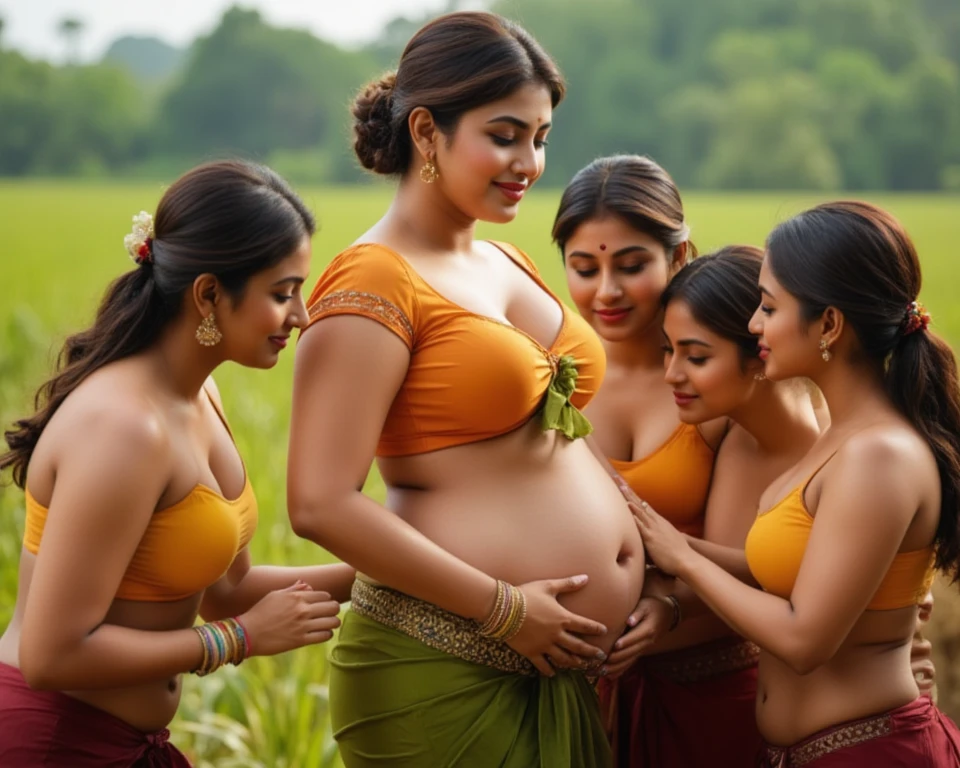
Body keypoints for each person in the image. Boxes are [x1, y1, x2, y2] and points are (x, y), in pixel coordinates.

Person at [285, 12, 644, 767]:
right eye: (506, 135)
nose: (530, 162)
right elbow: (319, 501)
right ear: (426, 132)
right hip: (440, 667)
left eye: (542, 138)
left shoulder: (508, 261)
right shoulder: (373, 279)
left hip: (559, 668)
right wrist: (505, 610)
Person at [0, 160, 353, 767]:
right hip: (53, 742)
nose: (300, 317)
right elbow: (51, 654)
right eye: (282, 293)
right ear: (209, 293)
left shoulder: (199, 397)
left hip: (126, 744)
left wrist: (395, 575)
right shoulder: (125, 430)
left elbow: (227, 590)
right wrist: (240, 640)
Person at [635, 201, 960, 766]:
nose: (755, 324)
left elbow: (805, 640)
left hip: (871, 754)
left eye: (768, 306)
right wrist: (660, 540)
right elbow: (786, 575)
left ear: (829, 324)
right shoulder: (844, 436)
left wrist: (684, 565)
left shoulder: (878, 455)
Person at [555, 157, 760, 767]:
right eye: (584, 268)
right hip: (581, 696)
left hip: (714, 693)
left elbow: (761, 566)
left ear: (678, 256)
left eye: (632, 265)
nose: (606, 292)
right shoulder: (550, 375)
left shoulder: (720, 386)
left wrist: (668, 611)